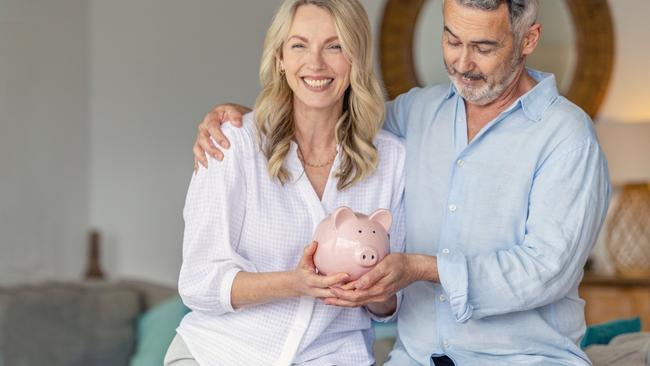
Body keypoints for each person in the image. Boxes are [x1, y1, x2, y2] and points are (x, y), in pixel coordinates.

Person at [191, 0, 612, 365]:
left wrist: (422, 269)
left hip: (523, 358)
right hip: (416, 358)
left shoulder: (567, 137)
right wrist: (249, 120)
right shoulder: (418, 112)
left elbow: (546, 270)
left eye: (484, 47)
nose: (463, 63)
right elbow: (329, 111)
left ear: (528, 39)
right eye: (451, 40)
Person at [166, 1, 406, 365]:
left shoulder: (392, 160)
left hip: (331, 357)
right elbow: (198, 283)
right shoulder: (232, 144)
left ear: (356, 57)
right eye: (299, 45)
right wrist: (296, 283)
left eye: (335, 45)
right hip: (219, 354)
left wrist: (372, 289)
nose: (316, 63)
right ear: (279, 58)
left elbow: (389, 307)